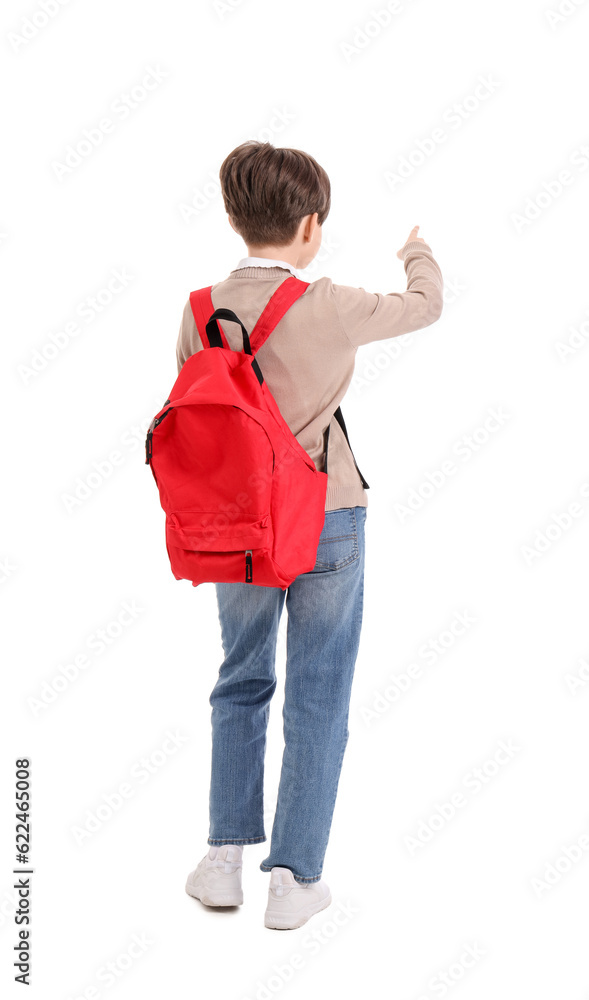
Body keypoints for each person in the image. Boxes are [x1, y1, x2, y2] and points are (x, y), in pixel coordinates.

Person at [181, 140, 444, 930]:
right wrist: (416, 248)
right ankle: (294, 880)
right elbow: (425, 305)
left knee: (240, 677)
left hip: (235, 525)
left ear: (233, 217)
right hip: (327, 515)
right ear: (309, 226)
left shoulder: (199, 308)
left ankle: (222, 859)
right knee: (319, 693)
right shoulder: (329, 303)